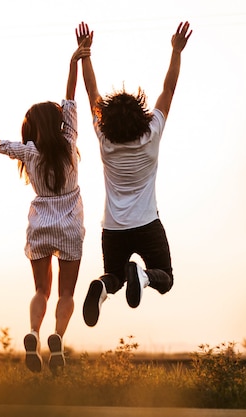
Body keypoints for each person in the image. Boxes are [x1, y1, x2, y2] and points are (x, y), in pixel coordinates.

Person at [0, 39, 91, 373]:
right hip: (70, 226)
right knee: (66, 293)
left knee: (41, 289)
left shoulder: (27, 151)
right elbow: (70, 98)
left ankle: (33, 332)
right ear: (58, 123)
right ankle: (56, 336)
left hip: (40, 225)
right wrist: (74, 61)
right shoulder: (69, 143)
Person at [77, 21, 192, 326]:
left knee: (113, 276)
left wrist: (85, 55)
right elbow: (169, 88)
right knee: (164, 278)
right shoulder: (152, 132)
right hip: (146, 224)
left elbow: (91, 92)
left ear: (107, 118)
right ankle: (142, 277)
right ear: (142, 114)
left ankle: (101, 287)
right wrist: (176, 51)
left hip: (113, 228)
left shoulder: (104, 136)